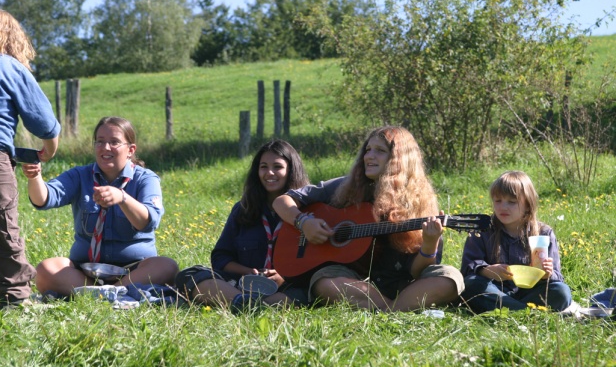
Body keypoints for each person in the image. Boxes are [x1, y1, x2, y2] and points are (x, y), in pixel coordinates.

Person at [272, 126, 464, 312]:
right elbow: (282, 202)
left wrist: (430, 245)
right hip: (353, 279)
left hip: (401, 283)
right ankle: (399, 308)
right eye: (368, 150)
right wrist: (304, 222)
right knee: (325, 283)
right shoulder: (346, 186)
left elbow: (417, 272)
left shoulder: (420, 202)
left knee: (451, 279)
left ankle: (388, 309)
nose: (369, 156)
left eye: (380, 150)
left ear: (401, 159)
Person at [21, 116, 178, 297]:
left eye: (114, 142)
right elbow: (44, 199)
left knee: (167, 266)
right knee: (46, 269)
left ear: (130, 149)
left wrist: (123, 198)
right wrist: (35, 177)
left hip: (134, 270)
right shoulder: (80, 175)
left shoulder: (145, 179)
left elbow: (149, 221)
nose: (105, 148)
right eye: (100, 142)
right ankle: (113, 293)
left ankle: (98, 293)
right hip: (85, 270)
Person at [0, 9, 60, 308]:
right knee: (3, 230)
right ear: (12, 37)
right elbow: (43, 121)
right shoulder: (7, 66)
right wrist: (48, 151)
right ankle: (13, 299)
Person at [175, 139, 310, 310]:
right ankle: (244, 302)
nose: (269, 173)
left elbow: (316, 262)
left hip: (289, 285)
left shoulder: (307, 213)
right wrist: (247, 271)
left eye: (277, 167)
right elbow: (220, 257)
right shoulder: (244, 208)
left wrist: (284, 276)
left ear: (291, 170)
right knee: (191, 275)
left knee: (309, 292)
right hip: (241, 285)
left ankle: (246, 304)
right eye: (263, 167)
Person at [460, 170, 572, 313]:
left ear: (527, 205)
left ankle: (510, 310)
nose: (503, 207)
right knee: (471, 284)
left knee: (561, 291)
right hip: (493, 290)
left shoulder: (543, 233)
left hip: (529, 293)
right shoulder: (482, 230)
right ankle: (524, 312)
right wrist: (487, 271)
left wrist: (547, 274)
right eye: (498, 201)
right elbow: (467, 268)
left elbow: (557, 276)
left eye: (512, 202)